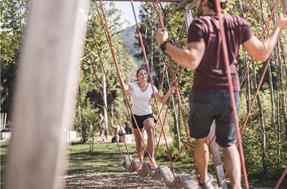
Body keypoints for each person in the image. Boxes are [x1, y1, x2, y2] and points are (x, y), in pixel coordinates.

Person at [156, 0, 287, 188]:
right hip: (230, 93)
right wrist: (278, 28)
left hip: (204, 93)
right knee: (229, 144)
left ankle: (203, 182)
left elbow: (192, 60)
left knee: (201, 140)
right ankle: (236, 186)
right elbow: (262, 53)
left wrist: (165, 44)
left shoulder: (200, 24)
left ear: (203, 3)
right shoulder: (238, 23)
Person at [120, 66, 175, 171]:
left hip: (147, 114)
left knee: (150, 129)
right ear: (137, 77)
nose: (143, 76)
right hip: (135, 115)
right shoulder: (133, 85)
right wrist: (120, 77)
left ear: (147, 77)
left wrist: (169, 92)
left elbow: (162, 100)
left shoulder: (151, 87)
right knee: (139, 140)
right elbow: (125, 89)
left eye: (145, 74)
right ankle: (140, 161)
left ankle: (152, 159)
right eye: (141, 74)